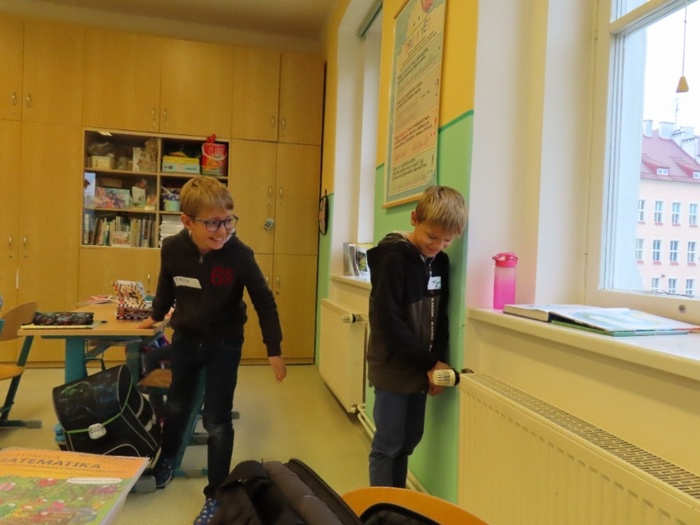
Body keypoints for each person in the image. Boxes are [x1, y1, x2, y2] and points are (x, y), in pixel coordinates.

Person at [137, 177, 286, 525]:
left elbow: (264, 301)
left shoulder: (240, 254)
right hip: (186, 339)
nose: (223, 230)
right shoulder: (172, 248)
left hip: (224, 343)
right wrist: (156, 316)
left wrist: (274, 349)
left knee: (217, 419)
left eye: (229, 220)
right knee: (177, 404)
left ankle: (218, 493)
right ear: (187, 221)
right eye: (214, 223)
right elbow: (166, 285)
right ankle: (167, 460)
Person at [366, 185, 467, 488]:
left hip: (422, 367)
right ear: (414, 219)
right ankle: (380, 507)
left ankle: (396, 501)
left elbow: (442, 316)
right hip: (393, 367)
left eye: (447, 240)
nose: (438, 245)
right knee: (388, 444)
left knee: (409, 440)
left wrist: (439, 363)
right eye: (432, 236)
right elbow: (389, 322)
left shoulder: (440, 263)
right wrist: (430, 363)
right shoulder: (393, 260)